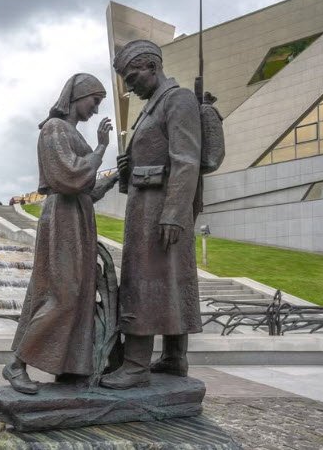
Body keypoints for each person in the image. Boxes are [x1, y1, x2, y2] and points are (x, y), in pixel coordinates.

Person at [3, 73, 118, 394]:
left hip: (79, 217)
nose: (95, 110)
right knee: (62, 295)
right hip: (63, 218)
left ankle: (69, 367)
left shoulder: (70, 133)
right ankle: (16, 363)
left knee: (79, 294)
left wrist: (114, 176)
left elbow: (88, 190)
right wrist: (101, 149)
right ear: (77, 96)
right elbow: (70, 178)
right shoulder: (54, 129)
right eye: (94, 102)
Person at [100, 40, 202, 390]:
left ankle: (136, 365)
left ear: (152, 67)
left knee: (145, 281)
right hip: (147, 205)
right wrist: (127, 169)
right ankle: (174, 358)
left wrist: (174, 213)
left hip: (161, 209)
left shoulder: (178, 99)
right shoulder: (152, 107)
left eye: (132, 77)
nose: (129, 87)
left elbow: (186, 160)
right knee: (167, 280)